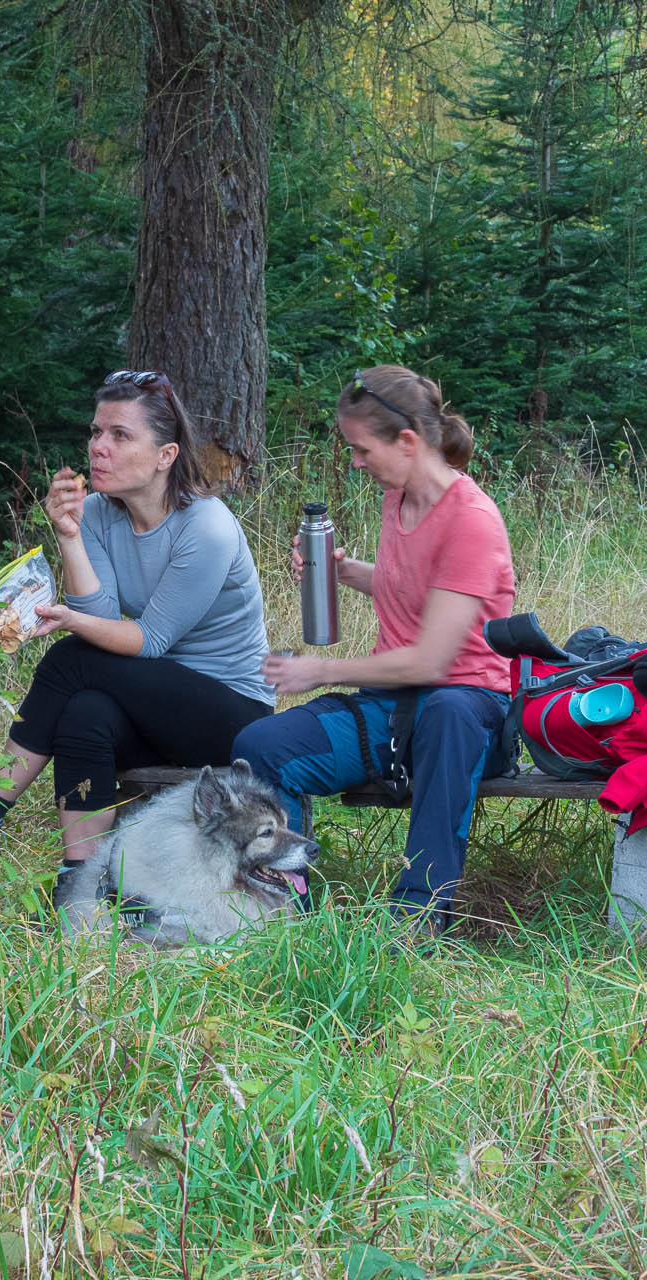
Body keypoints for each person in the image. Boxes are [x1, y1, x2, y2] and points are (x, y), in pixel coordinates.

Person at [0, 370, 272, 901]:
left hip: (232, 714)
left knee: (73, 656)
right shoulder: (98, 511)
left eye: (121, 436)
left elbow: (150, 640)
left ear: (166, 455)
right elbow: (97, 611)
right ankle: (82, 886)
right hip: (153, 704)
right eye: (96, 432)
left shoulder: (205, 527)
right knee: (85, 712)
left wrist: (73, 624)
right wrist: (69, 536)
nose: (99, 447)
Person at [230, 366, 515, 933]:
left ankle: (417, 920)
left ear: (407, 441)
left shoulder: (472, 521)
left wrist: (321, 670)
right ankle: (288, 913)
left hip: (468, 711)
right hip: (390, 708)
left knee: (447, 710)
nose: (356, 462)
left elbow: (433, 661)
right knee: (261, 744)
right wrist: (339, 572)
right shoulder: (400, 495)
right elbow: (411, 584)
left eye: (362, 449)